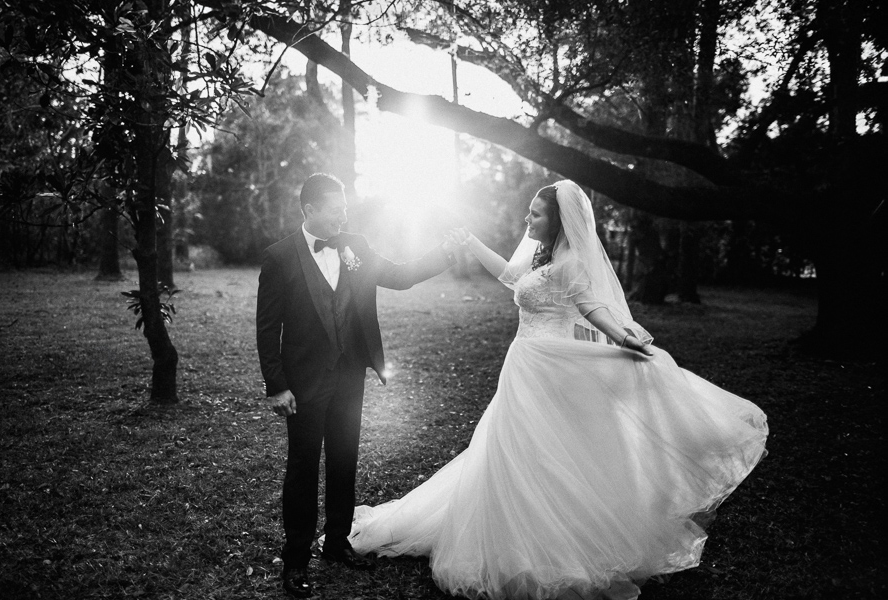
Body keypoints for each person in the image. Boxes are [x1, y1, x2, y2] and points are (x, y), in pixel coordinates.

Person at [348, 180, 769, 600]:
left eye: (536, 214)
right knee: (512, 451)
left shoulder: (570, 263)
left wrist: (623, 338)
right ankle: (514, 533)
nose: (527, 219)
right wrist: (472, 241)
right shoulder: (539, 257)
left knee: (546, 454)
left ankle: (553, 546)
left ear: (559, 220)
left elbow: (592, 306)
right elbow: (510, 277)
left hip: (547, 369)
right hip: (523, 367)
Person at [255, 173, 457, 598]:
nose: (342, 217)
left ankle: (336, 543)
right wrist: (276, 384)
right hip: (304, 382)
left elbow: (399, 276)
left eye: (345, 209)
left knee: (344, 461)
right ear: (309, 210)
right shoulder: (278, 258)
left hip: (351, 375)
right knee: (303, 469)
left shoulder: (356, 247)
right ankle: (295, 561)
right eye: (334, 210)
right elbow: (267, 327)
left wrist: (445, 254)